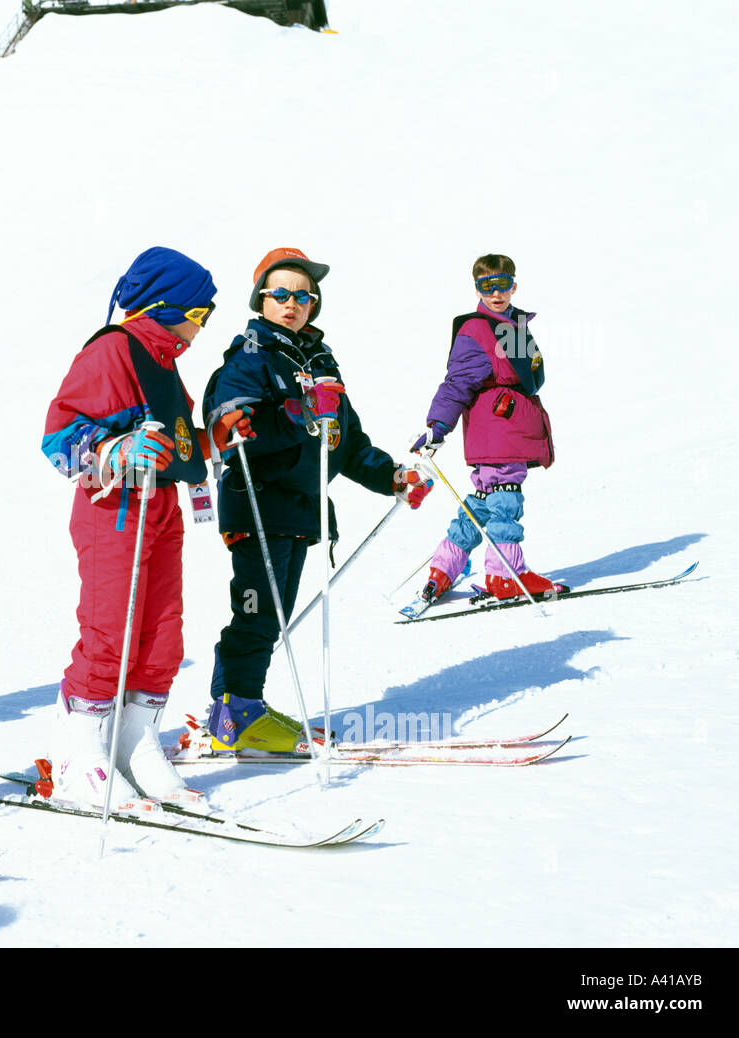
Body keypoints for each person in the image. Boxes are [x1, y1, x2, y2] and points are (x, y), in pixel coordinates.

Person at [202, 247, 432, 752]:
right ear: (261, 299)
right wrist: (298, 413)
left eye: (303, 295)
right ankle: (235, 715)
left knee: (274, 615)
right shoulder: (249, 355)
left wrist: (392, 476)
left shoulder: (320, 362)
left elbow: (346, 445)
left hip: (301, 510)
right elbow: (234, 429)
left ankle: (235, 709)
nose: (292, 303)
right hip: (258, 504)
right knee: (259, 612)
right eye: (280, 293)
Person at [41, 246, 218, 809]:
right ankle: (79, 752)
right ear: (167, 306)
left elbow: (178, 445)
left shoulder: (164, 362)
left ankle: (135, 743)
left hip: (162, 506)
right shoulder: (111, 351)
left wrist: (214, 437)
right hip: (113, 510)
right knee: (110, 630)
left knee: (163, 631)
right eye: (200, 312)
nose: (202, 325)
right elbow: (59, 443)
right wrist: (116, 448)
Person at [407, 253, 564, 607]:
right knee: (505, 498)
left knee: (483, 502)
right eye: (486, 286)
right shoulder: (477, 330)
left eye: (503, 285)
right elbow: (457, 383)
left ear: (514, 285)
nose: (496, 293)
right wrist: (437, 426)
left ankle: (444, 568)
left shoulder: (513, 325)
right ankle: (505, 575)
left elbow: (529, 380)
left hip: (507, 428)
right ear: (476, 288)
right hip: (497, 430)